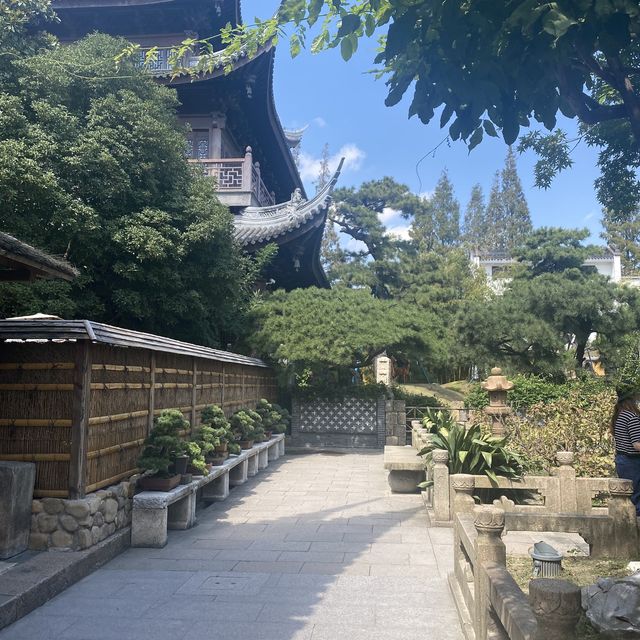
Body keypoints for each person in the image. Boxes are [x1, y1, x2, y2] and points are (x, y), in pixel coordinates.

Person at [611, 386, 640, 516]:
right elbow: (637, 445)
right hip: (632, 462)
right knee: (637, 497)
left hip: (622, 460)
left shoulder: (619, 415)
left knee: (630, 497)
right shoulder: (632, 417)